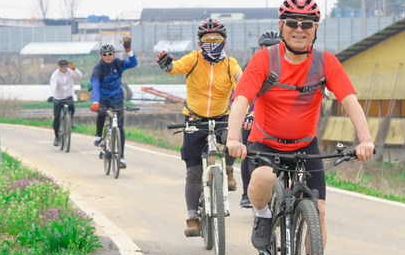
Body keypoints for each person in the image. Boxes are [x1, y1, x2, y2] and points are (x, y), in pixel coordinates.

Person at [226, 0, 375, 253]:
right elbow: (240, 100)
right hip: (265, 144)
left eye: (307, 24)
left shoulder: (325, 62)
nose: (299, 29)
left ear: (315, 29)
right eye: (292, 22)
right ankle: (262, 216)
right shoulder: (265, 60)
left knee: (318, 211)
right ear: (282, 26)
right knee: (261, 179)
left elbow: (350, 102)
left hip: (305, 145)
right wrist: (233, 139)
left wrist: (365, 141)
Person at [156, 18, 242, 237]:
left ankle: (229, 169)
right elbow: (173, 68)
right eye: (206, 40)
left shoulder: (231, 64)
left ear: (224, 41)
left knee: (233, 139)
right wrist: (166, 63)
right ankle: (193, 217)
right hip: (194, 119)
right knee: (193, 172)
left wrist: (248, 106)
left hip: (222, 116)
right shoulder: (193, 59)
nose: (211, 43)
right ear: (199, 42)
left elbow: (241, 85)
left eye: (216, 39)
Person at [238, 30, 282, 208]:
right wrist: (249, 113)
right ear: (260, 47)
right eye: (266, 46)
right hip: (253, 116)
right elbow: (245, 93)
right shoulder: (252, 64)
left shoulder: (286, 64)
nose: (270, 49)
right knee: (248, 153)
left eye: (274, 46)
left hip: (277, 118)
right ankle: (247, 193)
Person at [90, 39, 138, 168]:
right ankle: (99, 136)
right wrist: (95, 101)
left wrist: (129, 50)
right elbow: (94, 85)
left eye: (110, 53)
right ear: (101, 55)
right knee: (101, 114)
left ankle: (121, 158)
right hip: (104, 98)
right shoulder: (98, 69)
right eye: (104, 54)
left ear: (113, 54)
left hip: (117, 98)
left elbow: (133, 64)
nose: (107, 56)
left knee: (120, 129)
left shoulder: (118, 63)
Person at [49, 58, 83, 146]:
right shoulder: (55, 75)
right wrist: (53, 96)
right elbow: (53, 85)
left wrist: (74, 69)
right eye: (61, 66)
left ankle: (70, 120)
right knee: (56, 118)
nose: (63, 68)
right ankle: (57, 137)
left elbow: (80, 76)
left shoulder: (70, 72)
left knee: (72, 106)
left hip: (68, 95)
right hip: (58, 97)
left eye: (65, 66)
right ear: (58, 66)